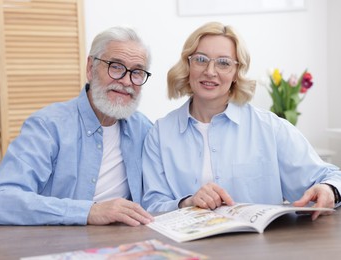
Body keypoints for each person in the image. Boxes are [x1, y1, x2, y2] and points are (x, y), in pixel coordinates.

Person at [142, 21, 341, 220]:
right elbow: (152, 205)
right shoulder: (160, 133)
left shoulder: (269, 128)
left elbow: (331, 176)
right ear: (188, 65)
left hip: (257, 248)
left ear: (237, 73)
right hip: (187, 249)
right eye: (201, 59)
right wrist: (187, 202)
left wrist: (328, 189)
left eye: (224, 63)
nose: (210, 71)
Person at [0, 26, 154, 226]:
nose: (126, 81)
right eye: (115, 66)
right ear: (90, 68)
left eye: (137, 72)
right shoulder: (48, 126)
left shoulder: (144, 129)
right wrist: (89, 211)